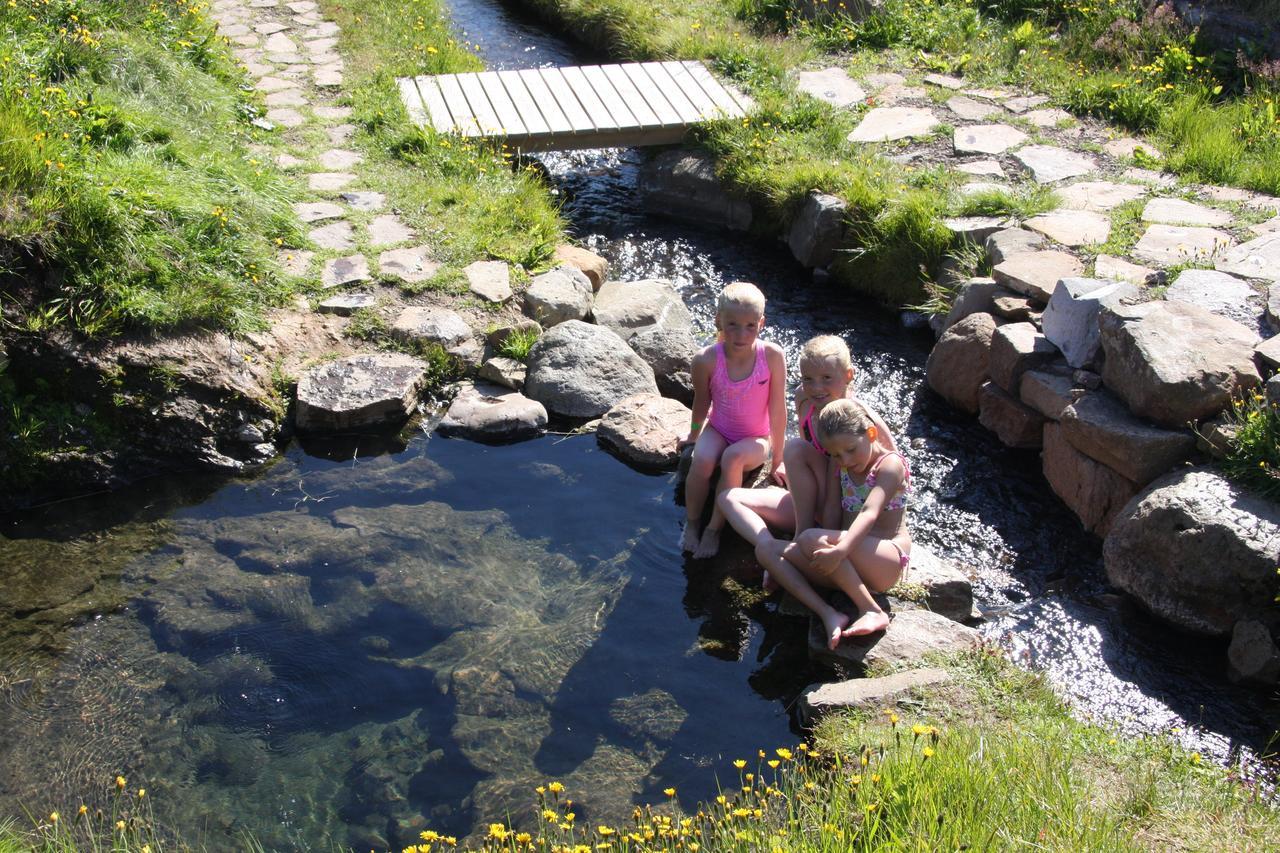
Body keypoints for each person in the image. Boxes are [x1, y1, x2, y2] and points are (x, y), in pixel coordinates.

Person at [717, 336, 896, 564]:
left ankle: (797, 543)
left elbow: (894, 468)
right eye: (808, 379)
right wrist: (793, 473)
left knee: (794, 450)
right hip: (817, 502)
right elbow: (809, 445)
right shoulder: (804, 397)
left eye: (826, 378)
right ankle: (772, 546)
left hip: (849, 509)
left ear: (848, 376)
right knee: (729, 498)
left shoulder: (859, 418)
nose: (816, 388)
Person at [756, 398, 912, 649]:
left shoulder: (889, 465)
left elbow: (869, 513)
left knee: (810, 538)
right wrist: (800, 556)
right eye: (836, 454)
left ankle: (871, 610)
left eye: (850, 449)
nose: (845, 459)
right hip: (848, 562)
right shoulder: (840, 465)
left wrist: (839, 550)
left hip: (885, 559)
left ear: (871, 433)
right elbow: (831, 508)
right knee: (765, 550)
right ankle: (829, 613)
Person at [679, 282, 786, 559]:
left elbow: (777, 408)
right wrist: (693, 436)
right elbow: (701, 402)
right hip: (719, 429)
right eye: (733, 324)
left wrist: (779, 458)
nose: (741, 334)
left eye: (750, 325)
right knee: (701, 459)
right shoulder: (706, 359)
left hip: (756, 439)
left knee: (733, 458)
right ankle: (692, 523)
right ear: (718, 321)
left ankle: (714, 528)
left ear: (761, 323)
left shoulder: (772, 356)